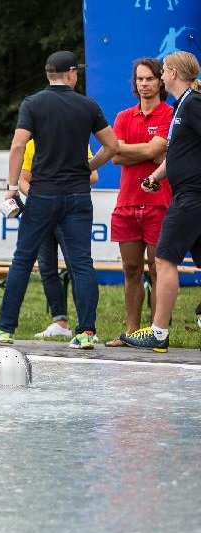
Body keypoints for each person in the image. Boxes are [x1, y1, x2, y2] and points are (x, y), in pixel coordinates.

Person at [0, 50, 119, 349]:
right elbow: (112, 146)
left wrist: (12, 187)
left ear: (49, 74)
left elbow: (18, 144)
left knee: (23, 259)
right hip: (77, 195)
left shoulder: (33, 103)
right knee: (82, 263)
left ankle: (6, 329)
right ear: (72, 73)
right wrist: (89, 166)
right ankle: (86, 332)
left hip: (43, 194)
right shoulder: (87, 105)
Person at [124, 51, 201, 352]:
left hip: (192, 197)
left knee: (164, 260)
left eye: (164, 70)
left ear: (172, 74)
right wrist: (156, 177)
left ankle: (158, 332)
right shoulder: (183, 105)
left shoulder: (192, 104)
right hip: (190, 195)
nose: (160, 75)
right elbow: (180, 153)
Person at [103, 58, 171, 346]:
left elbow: (159, 148)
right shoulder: (123, 117)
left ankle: (156, 334)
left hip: (158, 203)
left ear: (160, 82)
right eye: (140, 79)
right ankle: (131, 332)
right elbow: (114, 154)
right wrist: (145, 151)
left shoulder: (169, 113)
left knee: (158, 270)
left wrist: (132, 150)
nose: (144, 84)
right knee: (131, 271)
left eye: (150, 79)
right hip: (127, 203)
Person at [20, 138, 99, 340]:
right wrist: (40, 196)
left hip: (69, 211)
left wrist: (62, 188)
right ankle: (60, 322)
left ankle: (86, 327)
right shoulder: (31, 144)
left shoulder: (77, 140)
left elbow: (93, 175)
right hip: (42, 213)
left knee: (78, 267)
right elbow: (23, 180)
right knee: (47, 268)